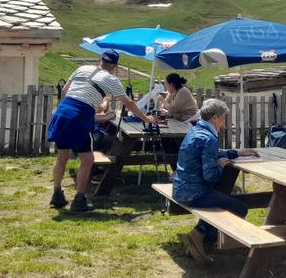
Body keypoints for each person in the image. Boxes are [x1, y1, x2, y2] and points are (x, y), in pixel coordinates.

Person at [47, 50, 156, 211]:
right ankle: (79, 199)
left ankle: (57, 194)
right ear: (115, 66)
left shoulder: (82, 68)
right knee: (87, 160)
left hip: (63, 112)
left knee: (62, 156)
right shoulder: (111, 80)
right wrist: (146, 118)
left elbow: (65, 91)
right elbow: (129, 103)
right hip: (79, 117)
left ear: (100, 60)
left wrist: (93, 104)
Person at [173, 98, 259, 263]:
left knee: (221, 197)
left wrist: (237, 153)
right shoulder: (209, 138)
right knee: (239, 208)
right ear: (214, 118)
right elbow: (210, 175)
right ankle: (200, 238)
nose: (224, 123)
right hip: (194, 193)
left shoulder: (195, 131)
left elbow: (213, 153)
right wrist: (220, 165)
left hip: (180, 188)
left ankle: (199, 240)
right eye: (223, 118)